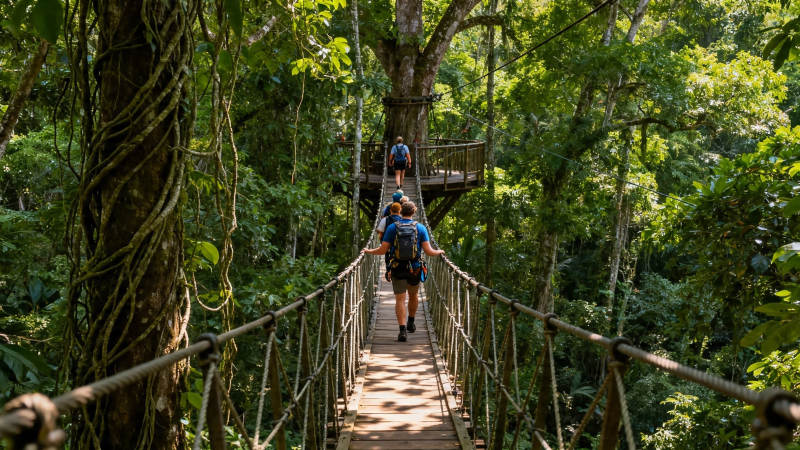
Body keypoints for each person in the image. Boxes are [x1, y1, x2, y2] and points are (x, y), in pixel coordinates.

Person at [362, 201, 444, 342]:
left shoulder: (393, 228)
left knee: (400, 299)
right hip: (415, 267)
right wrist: (440, 251)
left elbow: (382, 250)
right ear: (414, 212)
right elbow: (429, 252)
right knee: (413, 295)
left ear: (400, 212)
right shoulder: (421, 228)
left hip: (397, 267)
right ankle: (411, 322)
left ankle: (402, 331)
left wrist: (368, 250)